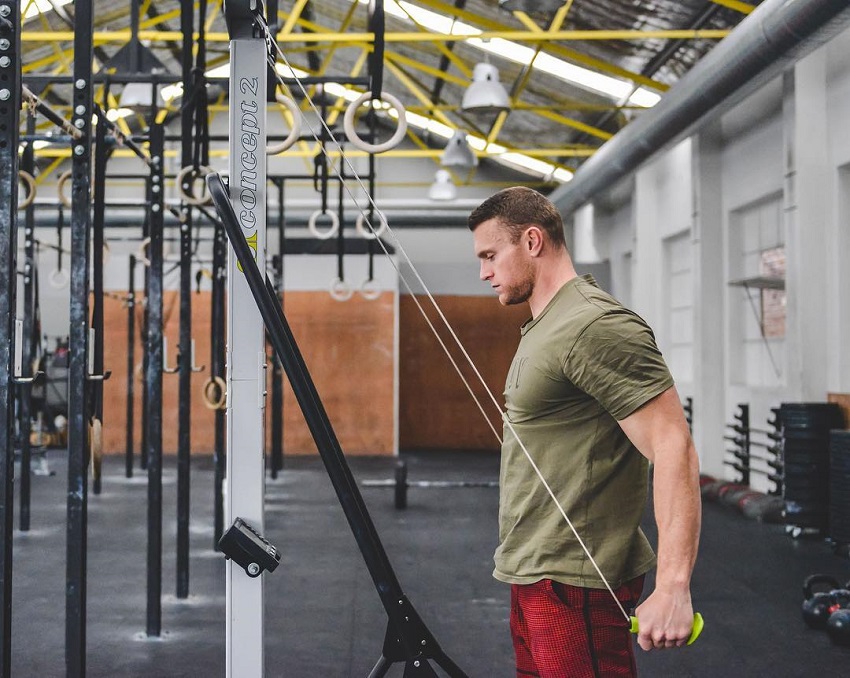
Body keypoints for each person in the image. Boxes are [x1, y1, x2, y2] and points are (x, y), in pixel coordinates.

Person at [467, 187, 701, 677]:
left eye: (491, 255)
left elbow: (672, 443)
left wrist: (673, 585)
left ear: (532, 241)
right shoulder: (545, 324)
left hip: (577, 580)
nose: (484, 273)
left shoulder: (593, 324)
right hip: (535, 573)